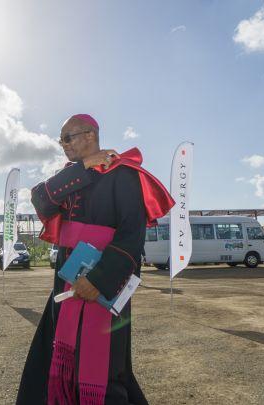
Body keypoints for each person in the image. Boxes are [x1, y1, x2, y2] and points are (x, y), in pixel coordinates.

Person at [16, 114, 174, 405]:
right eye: (60, 140)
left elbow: (131, 236)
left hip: (105, 285)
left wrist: (99, 280)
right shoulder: (72, 175)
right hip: (66, 282)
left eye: (68, 138)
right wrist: (85, 167)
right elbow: (40, 199)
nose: (63, 145)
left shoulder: (124, 174)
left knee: (106, 369)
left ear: (90, 135)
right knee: (60, 359)